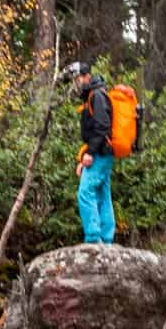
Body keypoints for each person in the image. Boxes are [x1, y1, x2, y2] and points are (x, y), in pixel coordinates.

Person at [66, 61, 116, 246]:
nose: (76, 83)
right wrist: (86, 154)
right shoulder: (93, 95)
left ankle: (94, 239)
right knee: (103, 193)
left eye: (78, 79)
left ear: (86, 77)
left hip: (100, 153)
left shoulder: (97, 96)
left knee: (85, 192)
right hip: (102, 152)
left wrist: (90, 153)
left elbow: (102, 127)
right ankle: (107, 239)